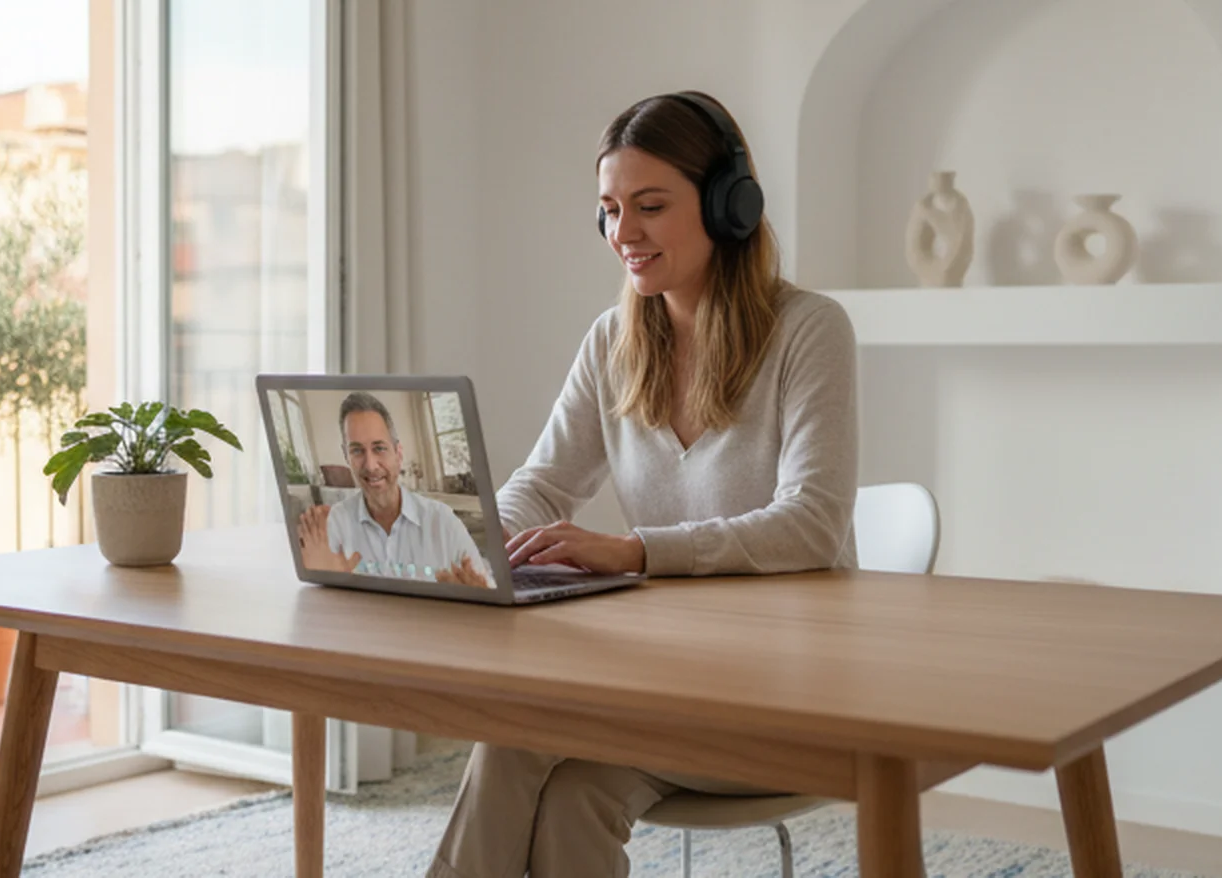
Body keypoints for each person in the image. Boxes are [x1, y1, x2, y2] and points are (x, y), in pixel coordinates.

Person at [425, 91, 858, 877]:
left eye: (649, 205)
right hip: (666, 686)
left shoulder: (809, 330)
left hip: (792, 698)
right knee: (569, 798)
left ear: (732, 206)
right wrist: (466, 537)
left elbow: (813, 524)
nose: (623, 233)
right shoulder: (613, 341)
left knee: (520, 738)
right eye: (609, 209)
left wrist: (630, 551)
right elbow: (544, 484)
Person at [297, 391, 494, 588]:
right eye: (357, 450)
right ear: (346, 456)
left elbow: (488, 593)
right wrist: (323, 584)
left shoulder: (443, 522)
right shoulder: (332, 526)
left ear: (398, 453)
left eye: (379, 448)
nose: (371, 465)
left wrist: (479, 596)